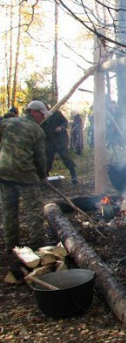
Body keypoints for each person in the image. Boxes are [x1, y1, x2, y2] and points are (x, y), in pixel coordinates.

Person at [0, 101, 51, 267]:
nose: (43, 118)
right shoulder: (36, 130)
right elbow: (40, 157)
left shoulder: (7, 122)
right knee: (34, 210)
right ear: (35, 112)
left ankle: (11, 245)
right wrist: (42, 176)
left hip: (4, 173)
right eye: (42, 114)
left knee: (9, 210)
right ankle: (36, 245)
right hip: (25, 175)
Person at [41, 104, 78, 185]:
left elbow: (65, 122)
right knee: (47, 161)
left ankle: (74, 176)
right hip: (49, 141)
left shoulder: (56, 113)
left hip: (60, 140)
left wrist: (61, 127)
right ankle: (46, 179)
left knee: (66, 157)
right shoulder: (41, 117)